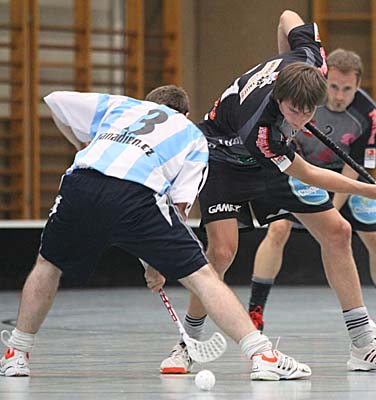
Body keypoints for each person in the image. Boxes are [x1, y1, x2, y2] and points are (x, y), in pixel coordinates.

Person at [159, 10, 376, 375]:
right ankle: (188, 344)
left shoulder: (312, 60)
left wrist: (285, 60)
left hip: (273, 156)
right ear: (279, 99)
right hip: (224, 159)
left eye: (309, 112)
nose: (302, 120)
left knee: (338, 232)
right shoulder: (261, 130)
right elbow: (308, 173)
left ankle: (363, 345)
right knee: (222, 252)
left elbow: (287, 16)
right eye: (294, 112)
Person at [0, 85, 311, 381]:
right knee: (202, 276)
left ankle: (16, 352)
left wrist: (81, 144)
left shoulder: (124, 106)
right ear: (185, 114)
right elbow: (177, 207)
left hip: (82, 182)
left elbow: (55, 100)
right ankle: (262, 354)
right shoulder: (192, 135)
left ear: (148, 103)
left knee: (48, 264)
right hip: (137, 193)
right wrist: (156, 262)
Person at [248, 49, 376, 343]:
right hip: (301, 171)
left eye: (347, 89)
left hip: (345, 178)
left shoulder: (369, 114)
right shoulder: (305, 101)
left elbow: (355, 168)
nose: (339, 96)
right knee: (278, 229)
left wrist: (331, 209)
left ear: (358, 85)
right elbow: (289, 154)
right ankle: (254, 313)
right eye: (334, 87)